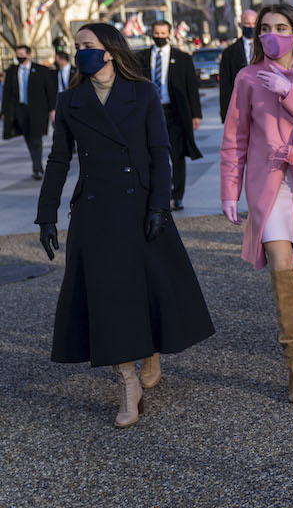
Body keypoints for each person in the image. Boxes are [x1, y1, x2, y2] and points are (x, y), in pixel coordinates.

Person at [36, 23, 213, 428]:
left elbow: (159, 153)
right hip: (95, 213)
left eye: (88, 46)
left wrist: (159, 207)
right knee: (107, 299)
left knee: (147, 289)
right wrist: (46, 213)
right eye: (77, 46)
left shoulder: (144, 92)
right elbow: (60, 159)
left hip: (139, 207)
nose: (80, 51)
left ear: (110, 51)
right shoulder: (70, 100)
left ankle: (149, 349)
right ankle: (127, 383)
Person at [220, 4, 293, 404]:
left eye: (281, 27)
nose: (272, 33)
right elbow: (234, 138)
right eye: (265, 28)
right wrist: (228, 190)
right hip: (266, 182)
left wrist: (290, 92)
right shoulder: (247, 77)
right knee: (281, 266)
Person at [136, 21, 202, 210]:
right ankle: (157, 192)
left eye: (163, 33)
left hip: (175, 112)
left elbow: (191, 88)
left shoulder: (182, 58)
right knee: (153, 154)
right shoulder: (141, 57)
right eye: (156, 33)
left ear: (169, 34)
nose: (159, 36)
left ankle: (177, 195)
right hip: (150, 112)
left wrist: (195, 114)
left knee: (177, 155)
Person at [2, 44, 55, 179]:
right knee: (28, 139)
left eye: (22, 54)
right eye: (18, 54)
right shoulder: (12, 71)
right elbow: (7, 93)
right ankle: (36, 165)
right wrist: (4, 111)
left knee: (36, 139)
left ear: (28, 55)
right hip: (20, 110)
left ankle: (37, 168)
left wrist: (53, 109)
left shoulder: (41, 70)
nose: (19, 57)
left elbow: (50, 91)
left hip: (37, 111)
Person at [219, 9, 259, 122]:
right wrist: (225, 114)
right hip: (239, 107)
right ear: (240, 25)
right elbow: (225, 85)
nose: (251, 27)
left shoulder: (267, 48)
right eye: (247, 24)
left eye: (254, 24)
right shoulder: (229, 52)